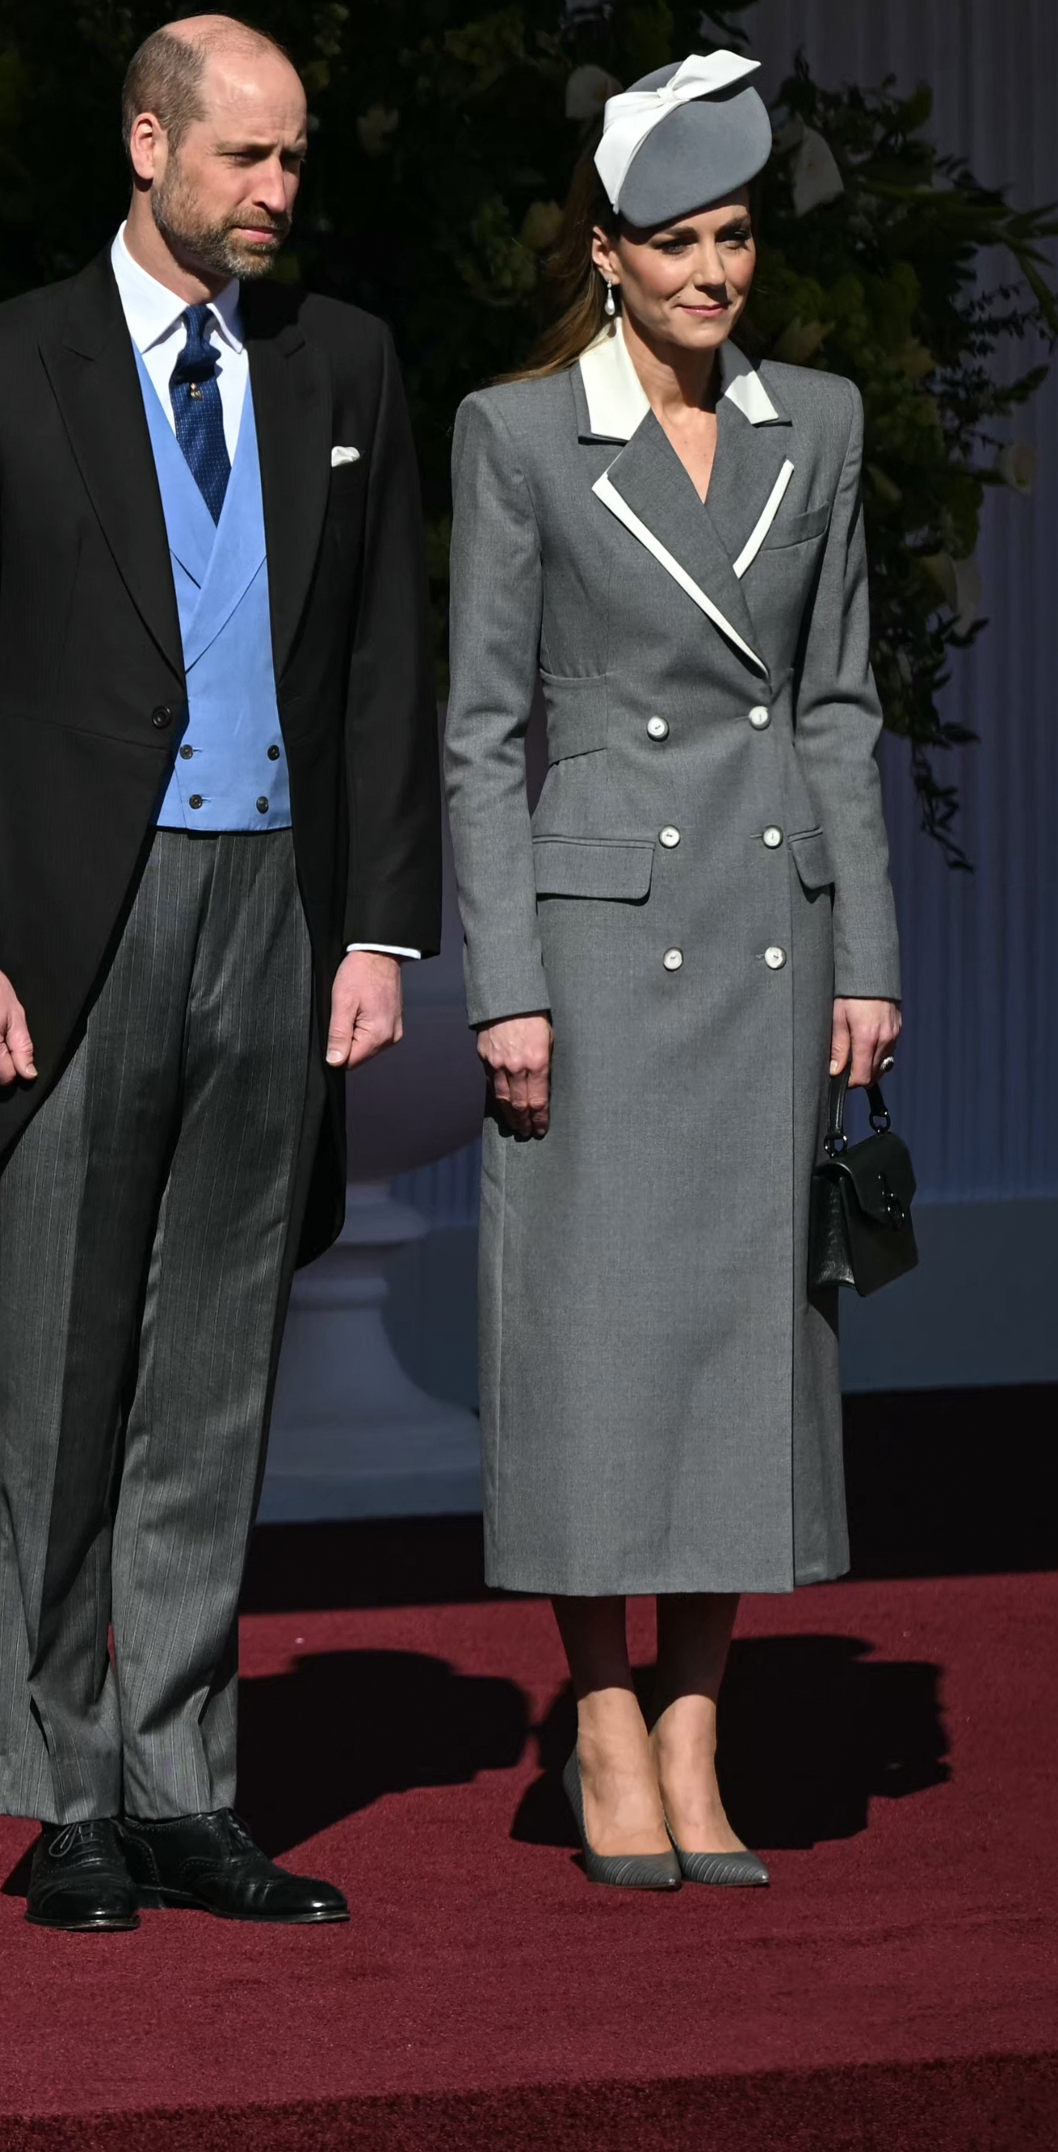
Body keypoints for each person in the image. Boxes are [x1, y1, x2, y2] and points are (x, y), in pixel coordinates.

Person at [0, 16, 439, 1934]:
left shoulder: (342, 362)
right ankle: (65, 1791)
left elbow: (378, 665)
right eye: (245, 161)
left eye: (295, 164)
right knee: (63, 1374)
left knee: (215, 1367)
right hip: (66, 932)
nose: (278, 195)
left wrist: (374, 929)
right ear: (147, 143)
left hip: (276, 910)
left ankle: (187, 1781)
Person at [445, 54, 900, 1894]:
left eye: (738, 237)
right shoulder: (520, 433)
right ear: (610, 253)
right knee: (590, 1342)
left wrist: (870, 952)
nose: (717, 272)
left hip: (776, 935)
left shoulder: (826, 425)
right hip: (601, 950)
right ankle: (601, 1713)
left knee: (742, 1350)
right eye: (682, 240)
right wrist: (505, 985)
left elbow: (847, 704)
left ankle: (701, 1722)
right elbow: (483, 732)